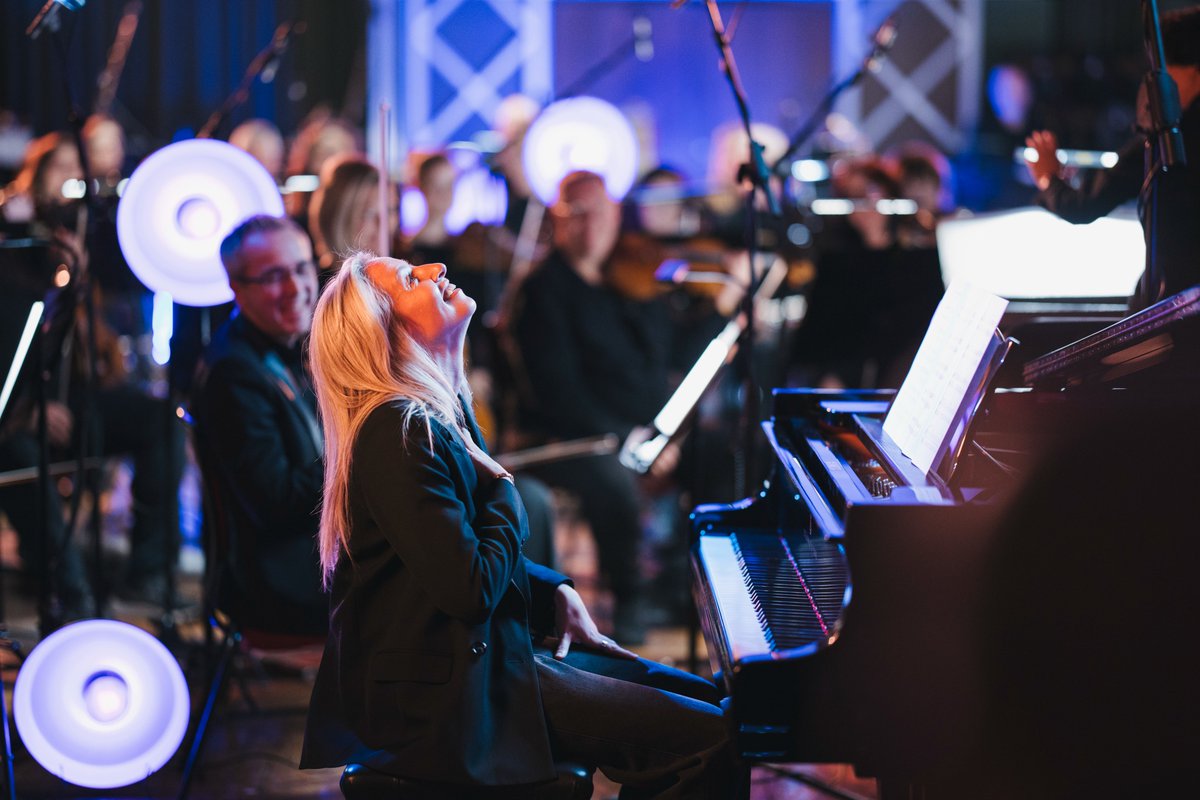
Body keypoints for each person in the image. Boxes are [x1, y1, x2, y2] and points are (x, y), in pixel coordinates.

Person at [299, 253, 740, 798]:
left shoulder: (441, 410)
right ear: (384, 332)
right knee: (711, 737)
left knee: (716, 707)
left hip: (485, 657)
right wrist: (505, 487)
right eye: (413, 279)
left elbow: (451, 551)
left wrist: (553, 589)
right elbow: (470, 587)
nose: (436, 268)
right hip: (447, 692)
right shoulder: (399, 430)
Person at [509, 170, 744, 642]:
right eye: (576, 213)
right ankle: (632, 595)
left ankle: (680, 584)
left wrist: (725, 307)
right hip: (577, 439)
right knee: (610, 480)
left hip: (651, 434)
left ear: (616, 216)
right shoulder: (542, 291)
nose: (590, 224)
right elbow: (558, 392)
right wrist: (626, 436)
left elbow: (672, 357)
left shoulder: (628, 282)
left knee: (723, 453)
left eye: (599, 211)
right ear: (558, 220)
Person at [190, 215, 327, 635]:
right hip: (279, 580)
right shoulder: (234, 372)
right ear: (236, 289)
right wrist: (361, 449)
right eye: (273, 276)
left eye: (302, 268)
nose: (295, 289)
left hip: (310, 556)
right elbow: (276, 503)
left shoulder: (289, 347)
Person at [1025, 6, 1200, 306]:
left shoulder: (1171, 137)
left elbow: (1082, 206)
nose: (1158, 87)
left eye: (1167, 74)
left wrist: (1047, 176)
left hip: (1174, 315)